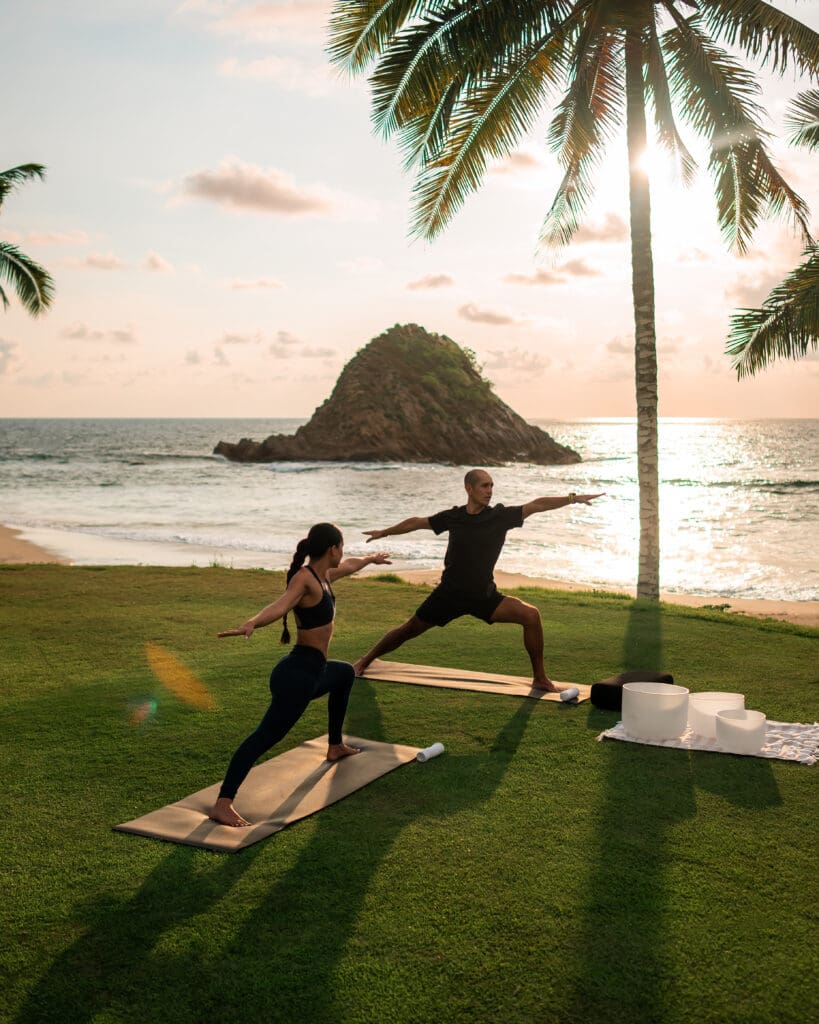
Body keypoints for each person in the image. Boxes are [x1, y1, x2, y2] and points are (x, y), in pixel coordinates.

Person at [210, 522, 391, 827]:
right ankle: (223, 802)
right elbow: (281, 605)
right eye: (341, 547)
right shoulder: (304, 580)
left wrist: (370, 560)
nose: (343, 554)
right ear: (331, 548)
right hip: (297, 676)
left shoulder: (325, 575)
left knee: (345, 673)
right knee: (264, 737)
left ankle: (335, 746)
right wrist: (253, 622)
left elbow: (350, 566)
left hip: (313, 670)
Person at [352, 470, 603, 690]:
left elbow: (536, 505)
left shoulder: (500, 516)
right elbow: (416, 523)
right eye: (484, 485)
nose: (490, 491)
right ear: (468, 488)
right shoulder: (453, 517)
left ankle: (540, 678)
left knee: (531, 616)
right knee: (408, 630)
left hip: (484, 596)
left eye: (492, 485)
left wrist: (572, 499)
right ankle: (365, 661)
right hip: (448, 595)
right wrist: (385, 532)